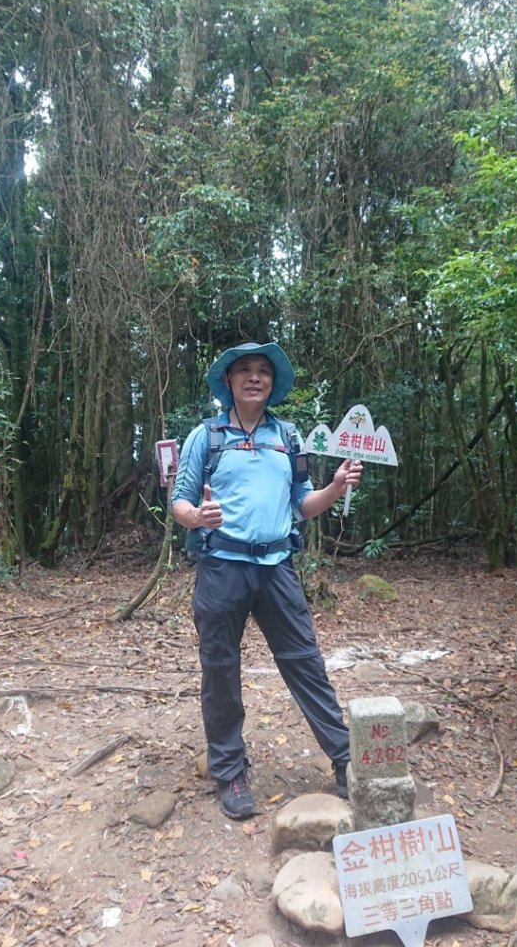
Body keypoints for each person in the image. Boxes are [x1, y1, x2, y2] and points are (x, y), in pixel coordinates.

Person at [171, 341, 362, 820]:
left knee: (305, 663)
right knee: (220, 670)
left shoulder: (289, 438)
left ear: (272, 383)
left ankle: (346, 760)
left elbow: (303, 504)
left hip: (277, 567)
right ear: (229, 381)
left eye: (263, 371)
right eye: (245, 370)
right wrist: (197, 517)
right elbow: (180, 501)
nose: (254, 377)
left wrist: (335, 487)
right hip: (222, 567)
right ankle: (230, 771)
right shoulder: (206, 436)